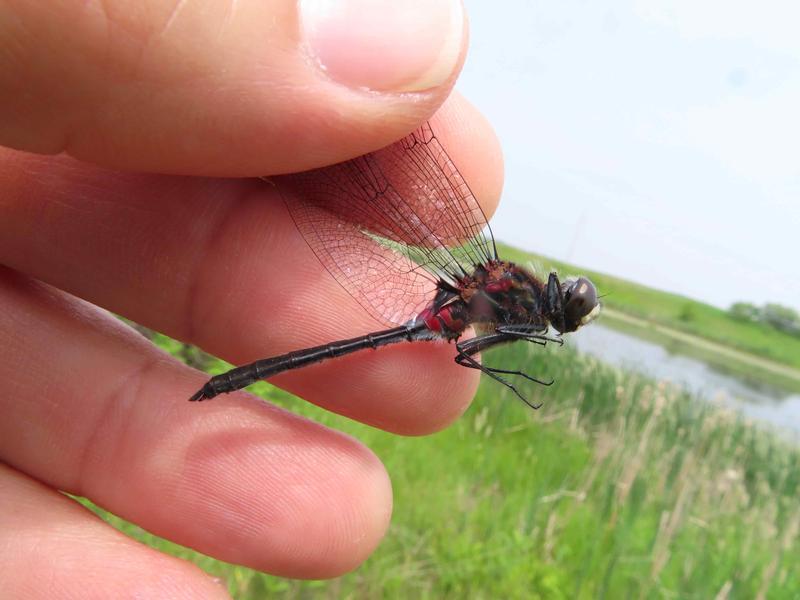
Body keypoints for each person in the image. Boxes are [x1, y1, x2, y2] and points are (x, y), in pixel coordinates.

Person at [0, 0, 503, 594]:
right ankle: (223, 385)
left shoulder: (509, 304)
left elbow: (474, 346)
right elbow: (474, 344)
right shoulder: (505, 295)